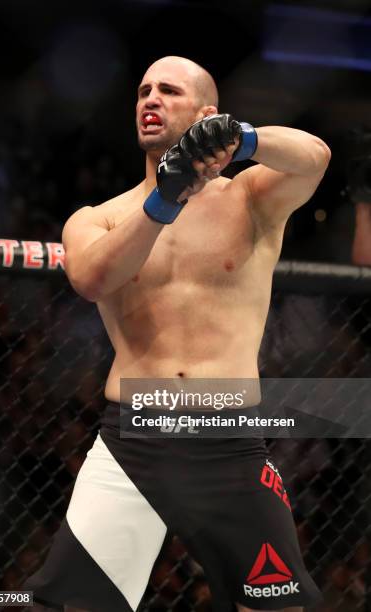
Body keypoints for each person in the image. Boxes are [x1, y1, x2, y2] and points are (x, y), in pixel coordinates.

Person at [25, 56, 331, 612]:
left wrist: (244, 139)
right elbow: (92, 279)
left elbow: (315, 157)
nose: (150, 99)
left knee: (277, 606)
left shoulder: (251, 199)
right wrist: (164, 199)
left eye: (168, 90)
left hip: (228, 440)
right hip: (132, 440)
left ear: (205, 113)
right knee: (78, 605)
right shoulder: (100, 217)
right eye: (143, 90)